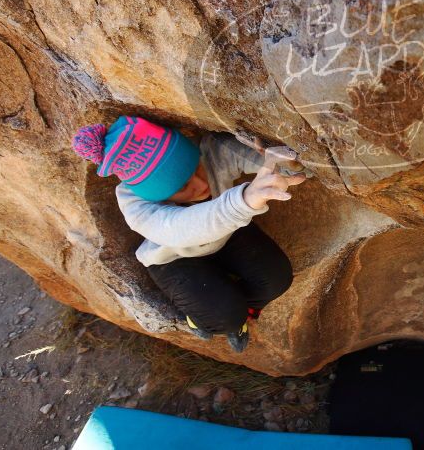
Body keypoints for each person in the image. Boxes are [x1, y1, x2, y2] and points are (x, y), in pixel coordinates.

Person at [71, 115, 306, 353]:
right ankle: (216, 319)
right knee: (224, 316)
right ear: (156, 194)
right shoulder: (136, 205)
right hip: (174, 258)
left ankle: (241, 312)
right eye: (182, 186)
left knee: (276, 279)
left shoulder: (208, 151)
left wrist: (285, 164)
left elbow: (261, 160)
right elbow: (180, 228)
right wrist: (244, 201)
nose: (201, 185)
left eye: (196, 167)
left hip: (225, 234)